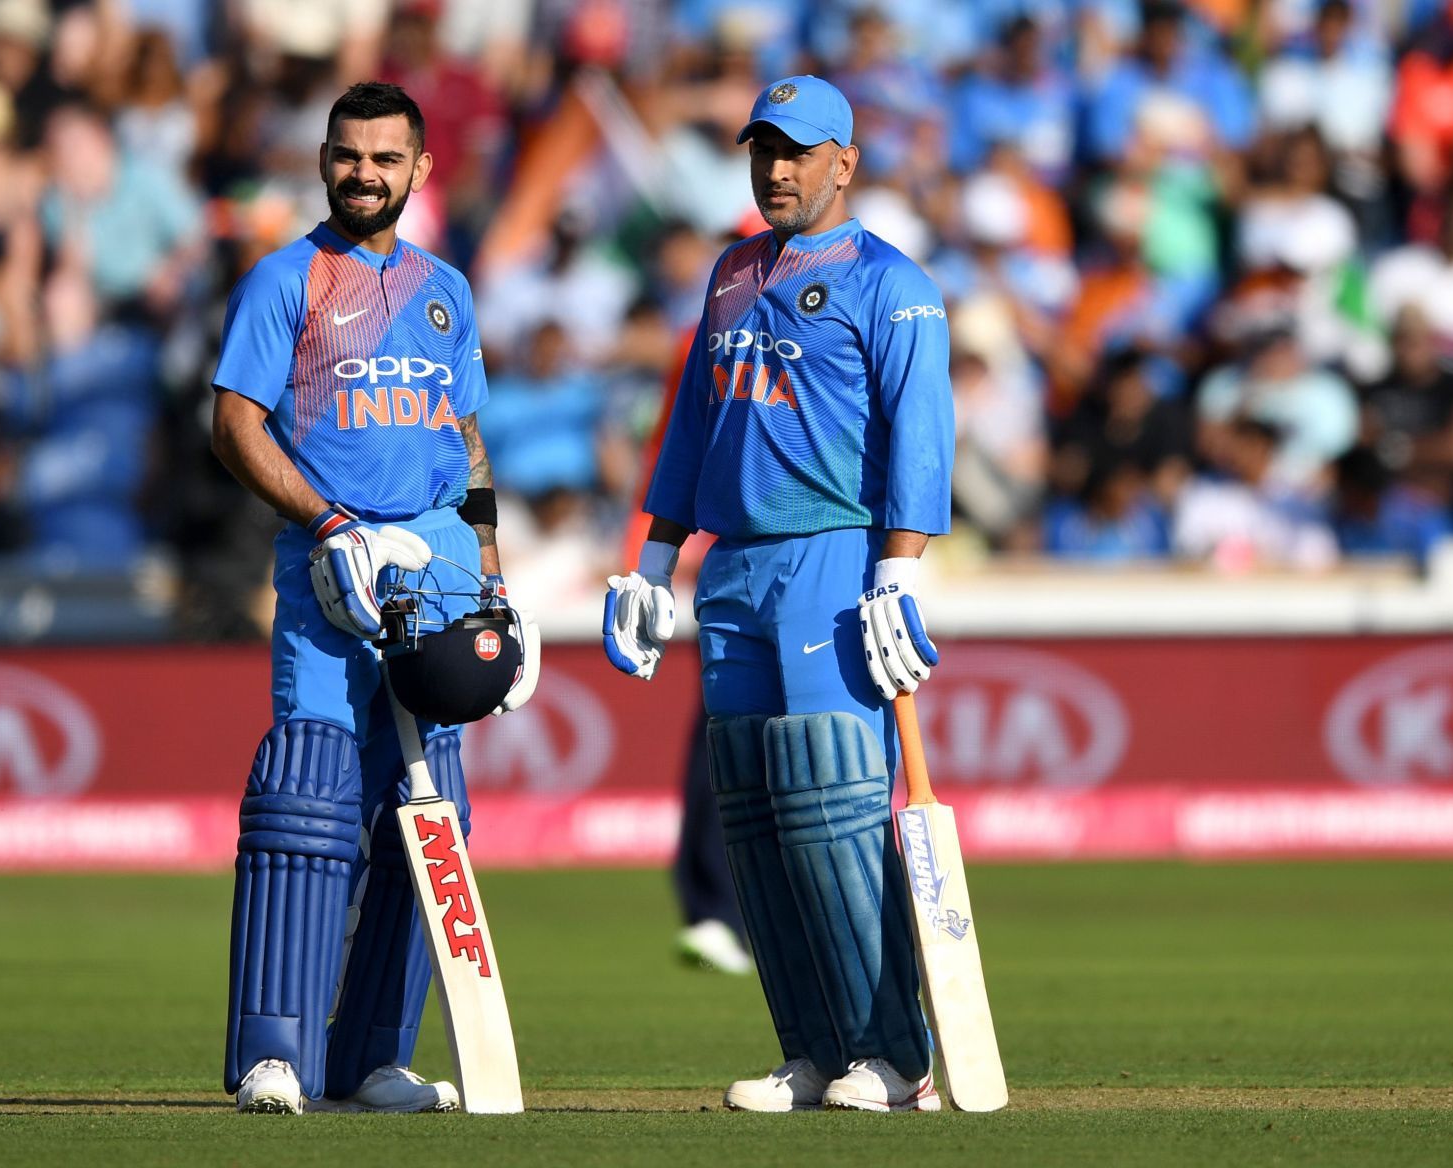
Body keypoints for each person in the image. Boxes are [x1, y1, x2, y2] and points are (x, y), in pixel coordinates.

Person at [603, 76, 952, 1114]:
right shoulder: (730, 273)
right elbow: (692, 435)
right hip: (734, 570)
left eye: (799, 152)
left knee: (834, 811)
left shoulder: (894, 284)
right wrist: (652, 562)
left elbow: (922, 437)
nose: (778, 169)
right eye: (765, 150)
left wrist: (898, 568)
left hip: (831, 557)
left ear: (845, 160)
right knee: (753, 814)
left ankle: (891, 1053)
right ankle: (809, 1047)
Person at [207, 82, 536, 1116]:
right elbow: (235, 426)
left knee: (428, 808)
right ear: (323, 159)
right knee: (308, 801)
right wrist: (329, 523)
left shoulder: (446, 289)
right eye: (349, 155)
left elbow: (469, 443)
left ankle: (373, 1057)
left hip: (438, 571)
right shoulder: (285, 279)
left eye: (386, 158)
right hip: (333, 572)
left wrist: (491, 579)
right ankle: (276, 1053)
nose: (365, 174)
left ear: (420, 170)